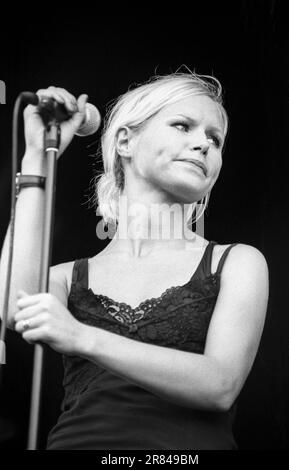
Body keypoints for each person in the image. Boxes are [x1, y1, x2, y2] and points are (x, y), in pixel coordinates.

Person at [0, 72, 269, 450]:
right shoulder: (67, 278)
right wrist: (35, 156)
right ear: (125, 140)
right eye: (183, 126)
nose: (204, 145)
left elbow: (220, 385)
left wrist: (81, 337)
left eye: (215, 139)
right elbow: (15, 307)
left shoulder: (236, 262)